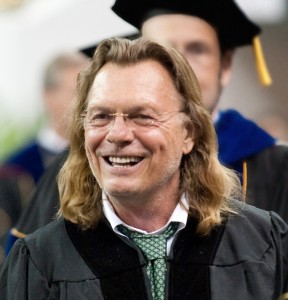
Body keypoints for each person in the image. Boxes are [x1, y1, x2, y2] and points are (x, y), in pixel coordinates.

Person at [1, 37, 287, 299]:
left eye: (142, 116)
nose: (118, 134)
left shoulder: (263, 243)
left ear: (188, 133)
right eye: (101, 116)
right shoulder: (41, 262)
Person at [111, 0, 288, 220]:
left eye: (197, 50)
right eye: (161, 50)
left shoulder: (275, 167)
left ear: (224, 66)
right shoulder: (90, 164)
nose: (180, 65)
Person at [0, 52, 89, 266]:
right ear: (48, 96)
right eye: (76, 92)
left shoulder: (107, 160)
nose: (86, 103)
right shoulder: (15, 170)